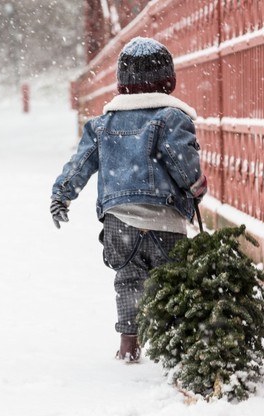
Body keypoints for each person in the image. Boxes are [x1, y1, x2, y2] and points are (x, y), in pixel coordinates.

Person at [49, 37, 207, 363]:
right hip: (165, 220)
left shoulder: (101, 126)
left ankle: (128, 345)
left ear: (121, 85)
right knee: (172, 283)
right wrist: (195, 185)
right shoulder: (171, 119)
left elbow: (80, 164)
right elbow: (182, 163)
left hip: (119, 222)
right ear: (168, 81)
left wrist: (62, 194)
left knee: (129, 281)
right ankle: (172, 347)